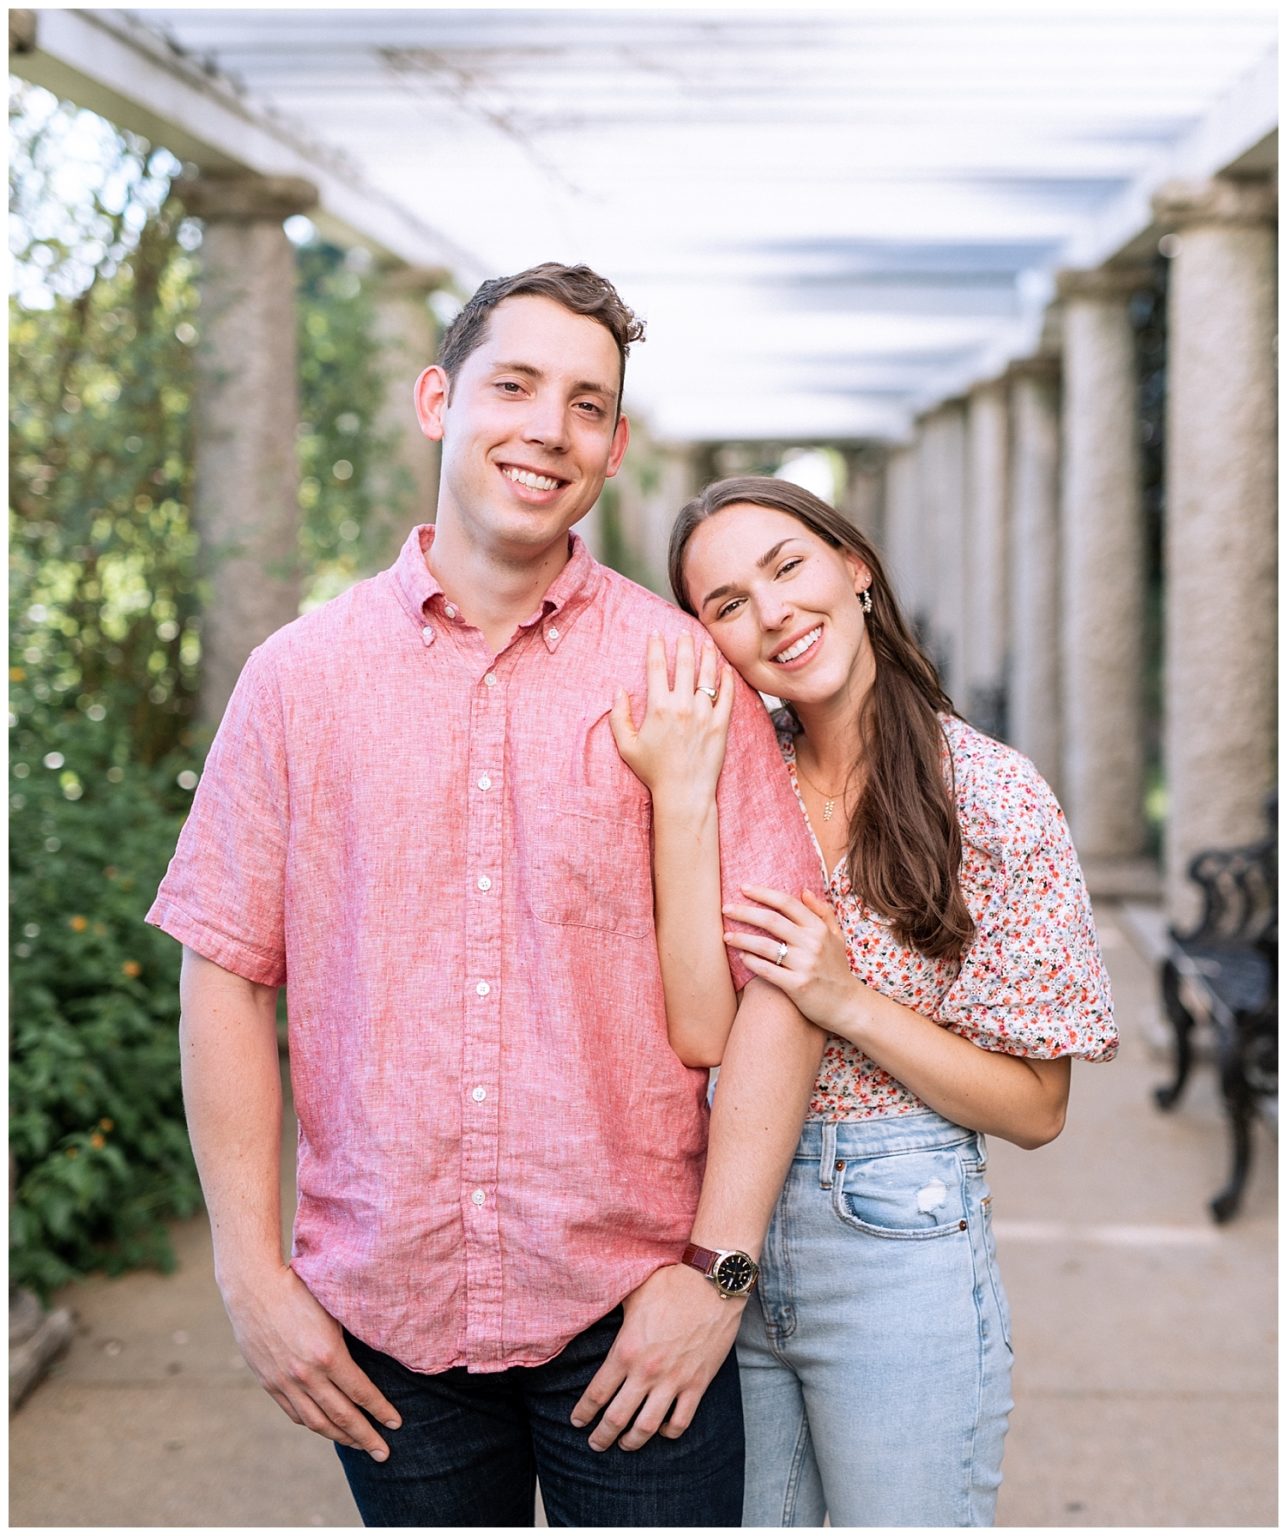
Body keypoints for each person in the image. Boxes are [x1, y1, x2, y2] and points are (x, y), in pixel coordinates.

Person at [146, 269, 825, 1528]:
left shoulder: (682, 669)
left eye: (585, 405)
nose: (547, 429)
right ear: (435, 400)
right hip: (387, 1326)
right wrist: (250, 1275)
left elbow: (783, 984)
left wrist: (717, 1276)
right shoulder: (298, 681)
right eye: (514, 386)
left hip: (632, 1313)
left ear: (614, 449)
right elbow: (226, 973)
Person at [609, 475, 1119, 1527]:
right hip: (715, 1226)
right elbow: (700, 1028)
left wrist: (848, 1003)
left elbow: (1038, 1108)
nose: (774, 614)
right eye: (728, 604)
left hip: (895, 1242)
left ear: (856, 568)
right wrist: (680, 802)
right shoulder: (744, 780)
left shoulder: (988, 794)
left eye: (788, 568)